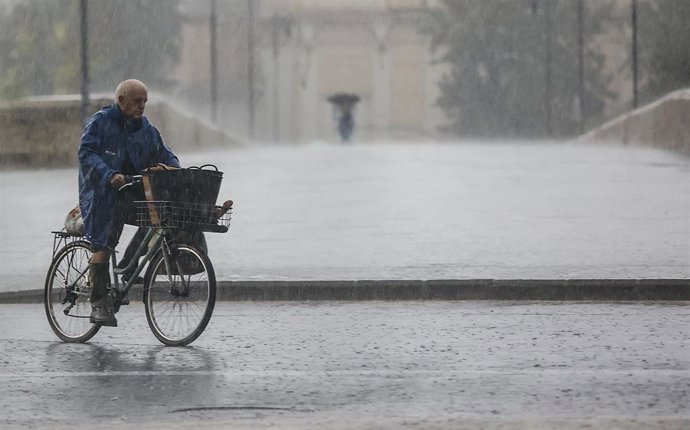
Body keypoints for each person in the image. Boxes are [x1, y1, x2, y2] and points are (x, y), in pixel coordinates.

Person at [78, 79, 180, 327]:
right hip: (99, 193)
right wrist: (108, 174)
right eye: (137, 101)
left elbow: (167, 155)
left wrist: (170, 167)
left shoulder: (146, 130)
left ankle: (127, 268)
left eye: (145, 101)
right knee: (104, 241)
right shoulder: (101, 123)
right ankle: (99, 302)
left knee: (157, 218)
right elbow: (86, 153)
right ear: (121, 101)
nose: (142, 106)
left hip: (130, 191)